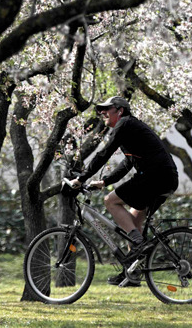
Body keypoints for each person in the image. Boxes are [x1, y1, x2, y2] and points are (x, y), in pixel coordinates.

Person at [67, 96, 179, 286]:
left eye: (106, 110)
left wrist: (82, 178)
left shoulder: (125, 124)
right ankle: (132, 274)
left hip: (154, 177)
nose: (102, 113)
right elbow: (128, 163)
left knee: (111, 201)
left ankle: (139, 244)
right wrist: (105, 181)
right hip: (165, 179)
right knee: (133, 224)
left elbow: (104, 153)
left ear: (119, 110)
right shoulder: (130, 129)